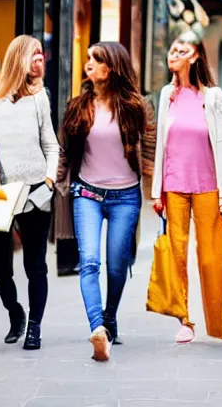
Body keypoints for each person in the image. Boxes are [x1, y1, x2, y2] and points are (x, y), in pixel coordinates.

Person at [57, 42, 156, 362]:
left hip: (125, 196)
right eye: (88, 59)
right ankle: (97, 326)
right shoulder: (78, 106)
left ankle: (110, 316)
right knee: (89, 262)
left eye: (95, 60)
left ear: (111, 67)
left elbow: (150, 148)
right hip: (87, 193)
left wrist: (156, 188)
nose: (88, 64)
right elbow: (65, 149)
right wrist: (57, 182)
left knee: (117, 265)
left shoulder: (136, 107)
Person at [0, 35, 59, 351]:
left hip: (35, 189)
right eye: (34, 54)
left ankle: (34, 327)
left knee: (36, 265)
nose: (40, 59)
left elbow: (51, 144)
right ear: (18, 58)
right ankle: (15, 312)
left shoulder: (40, 98)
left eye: (41, 54)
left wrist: (48, 181)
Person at [151, 31, 222, 344]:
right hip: (174, 187)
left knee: (210, 257)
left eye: (180, 49)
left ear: (195, 56)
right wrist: (156, 190)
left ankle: (220, 320)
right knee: (177, 254)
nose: (172, 52)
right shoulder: (166, 95)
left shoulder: (212, 96)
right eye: (172, 48)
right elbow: (162, 143)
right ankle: (185, 320)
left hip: (208, 187)